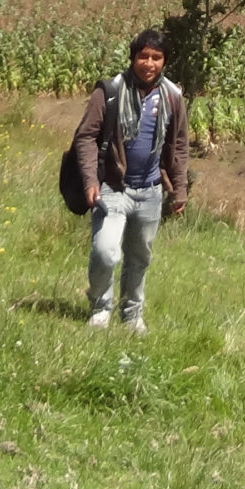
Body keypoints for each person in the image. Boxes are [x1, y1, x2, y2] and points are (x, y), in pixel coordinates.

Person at [70, 27, 187, 332]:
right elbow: (86, 137)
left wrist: (180, 189)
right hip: (113, 187)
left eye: (156, 57)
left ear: (164, 61)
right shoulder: (109, 92)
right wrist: (89, 181)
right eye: (143, 56)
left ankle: (132, 314)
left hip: (150, 191)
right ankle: (99, 308)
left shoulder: (173, 97)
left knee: (139, 256)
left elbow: (181, 144)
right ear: (133, 57)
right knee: (106, 251)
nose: (149, 63)